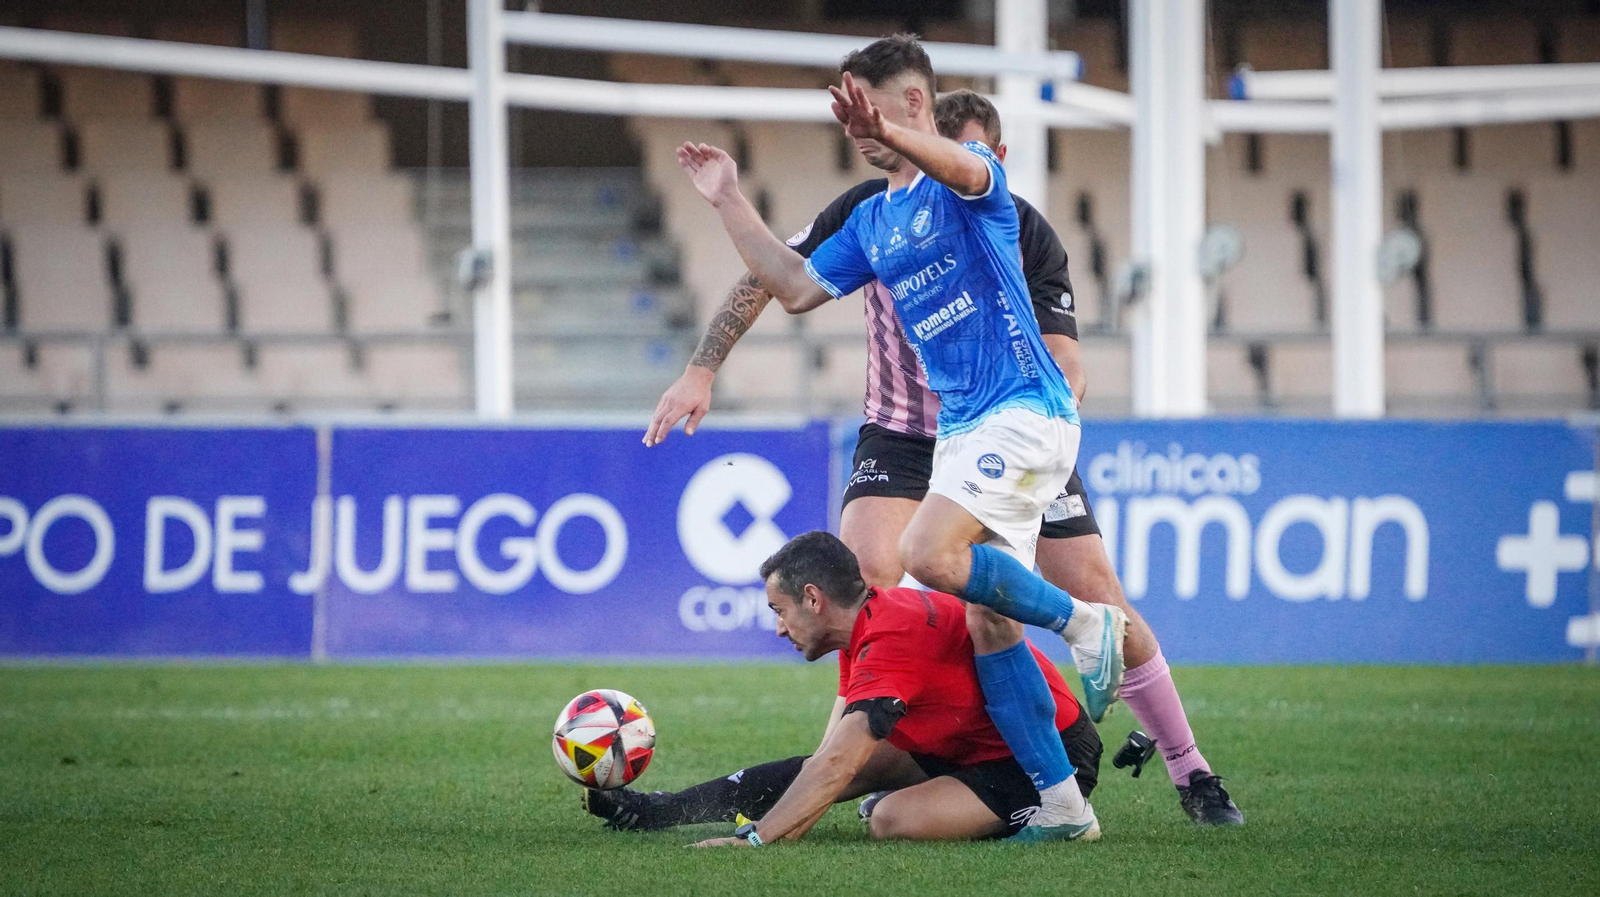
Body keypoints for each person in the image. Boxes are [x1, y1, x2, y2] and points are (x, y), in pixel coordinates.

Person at [649, 82, 1241, 824]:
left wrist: (1032, 425)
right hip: (904, 435)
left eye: (968, 156)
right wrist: (703, 366)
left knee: (1098, 596)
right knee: (862, 577)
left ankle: (1192, 771)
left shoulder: (1020, 229)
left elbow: (1069, 362)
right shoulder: (873, 212)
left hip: (1005, 433)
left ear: (993, 158)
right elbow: (775, 279)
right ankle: (849, 755)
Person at [674, 34, 1115, 840]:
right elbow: (797, 287)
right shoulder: (875, 220)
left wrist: (904, 133)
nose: (855, 130)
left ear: (914, 103)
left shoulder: (974, 189)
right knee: (988, 619)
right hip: (963, 428)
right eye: (849, 118)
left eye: (868, 112)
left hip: (1024, 407)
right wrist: (728, 199)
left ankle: (1088, 626)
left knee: (923, 557)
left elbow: (961, 167)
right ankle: (1061, 807)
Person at [678, 531, 1104, 846]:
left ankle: (1051, 809)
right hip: (973, 745)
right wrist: (778, 825)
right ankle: (660, 808)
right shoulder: (862, 626)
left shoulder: (889, 638)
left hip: (1046, 753)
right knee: (852, 764)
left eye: (779, 610)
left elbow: (835, 765)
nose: (778, 628)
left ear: (813, 599)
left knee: (891, 819)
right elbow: (827, 762)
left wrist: (757, 839)